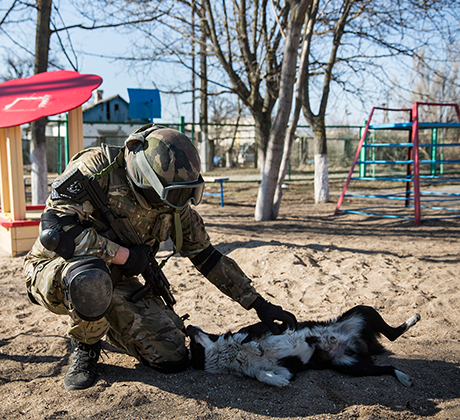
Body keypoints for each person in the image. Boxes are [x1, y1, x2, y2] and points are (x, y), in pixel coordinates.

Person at [23, 124, 297, 390]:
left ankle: (104, 318)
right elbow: (56, 231)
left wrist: (257, 303)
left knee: (172, 356)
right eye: (174, 193)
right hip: (58, 271)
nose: (179, 201)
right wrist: (123, 255)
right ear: (145, 178)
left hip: (117, 280)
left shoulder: (173, 201)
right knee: (91, 279)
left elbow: (208, 257)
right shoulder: (98, 168)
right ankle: (86, 346)